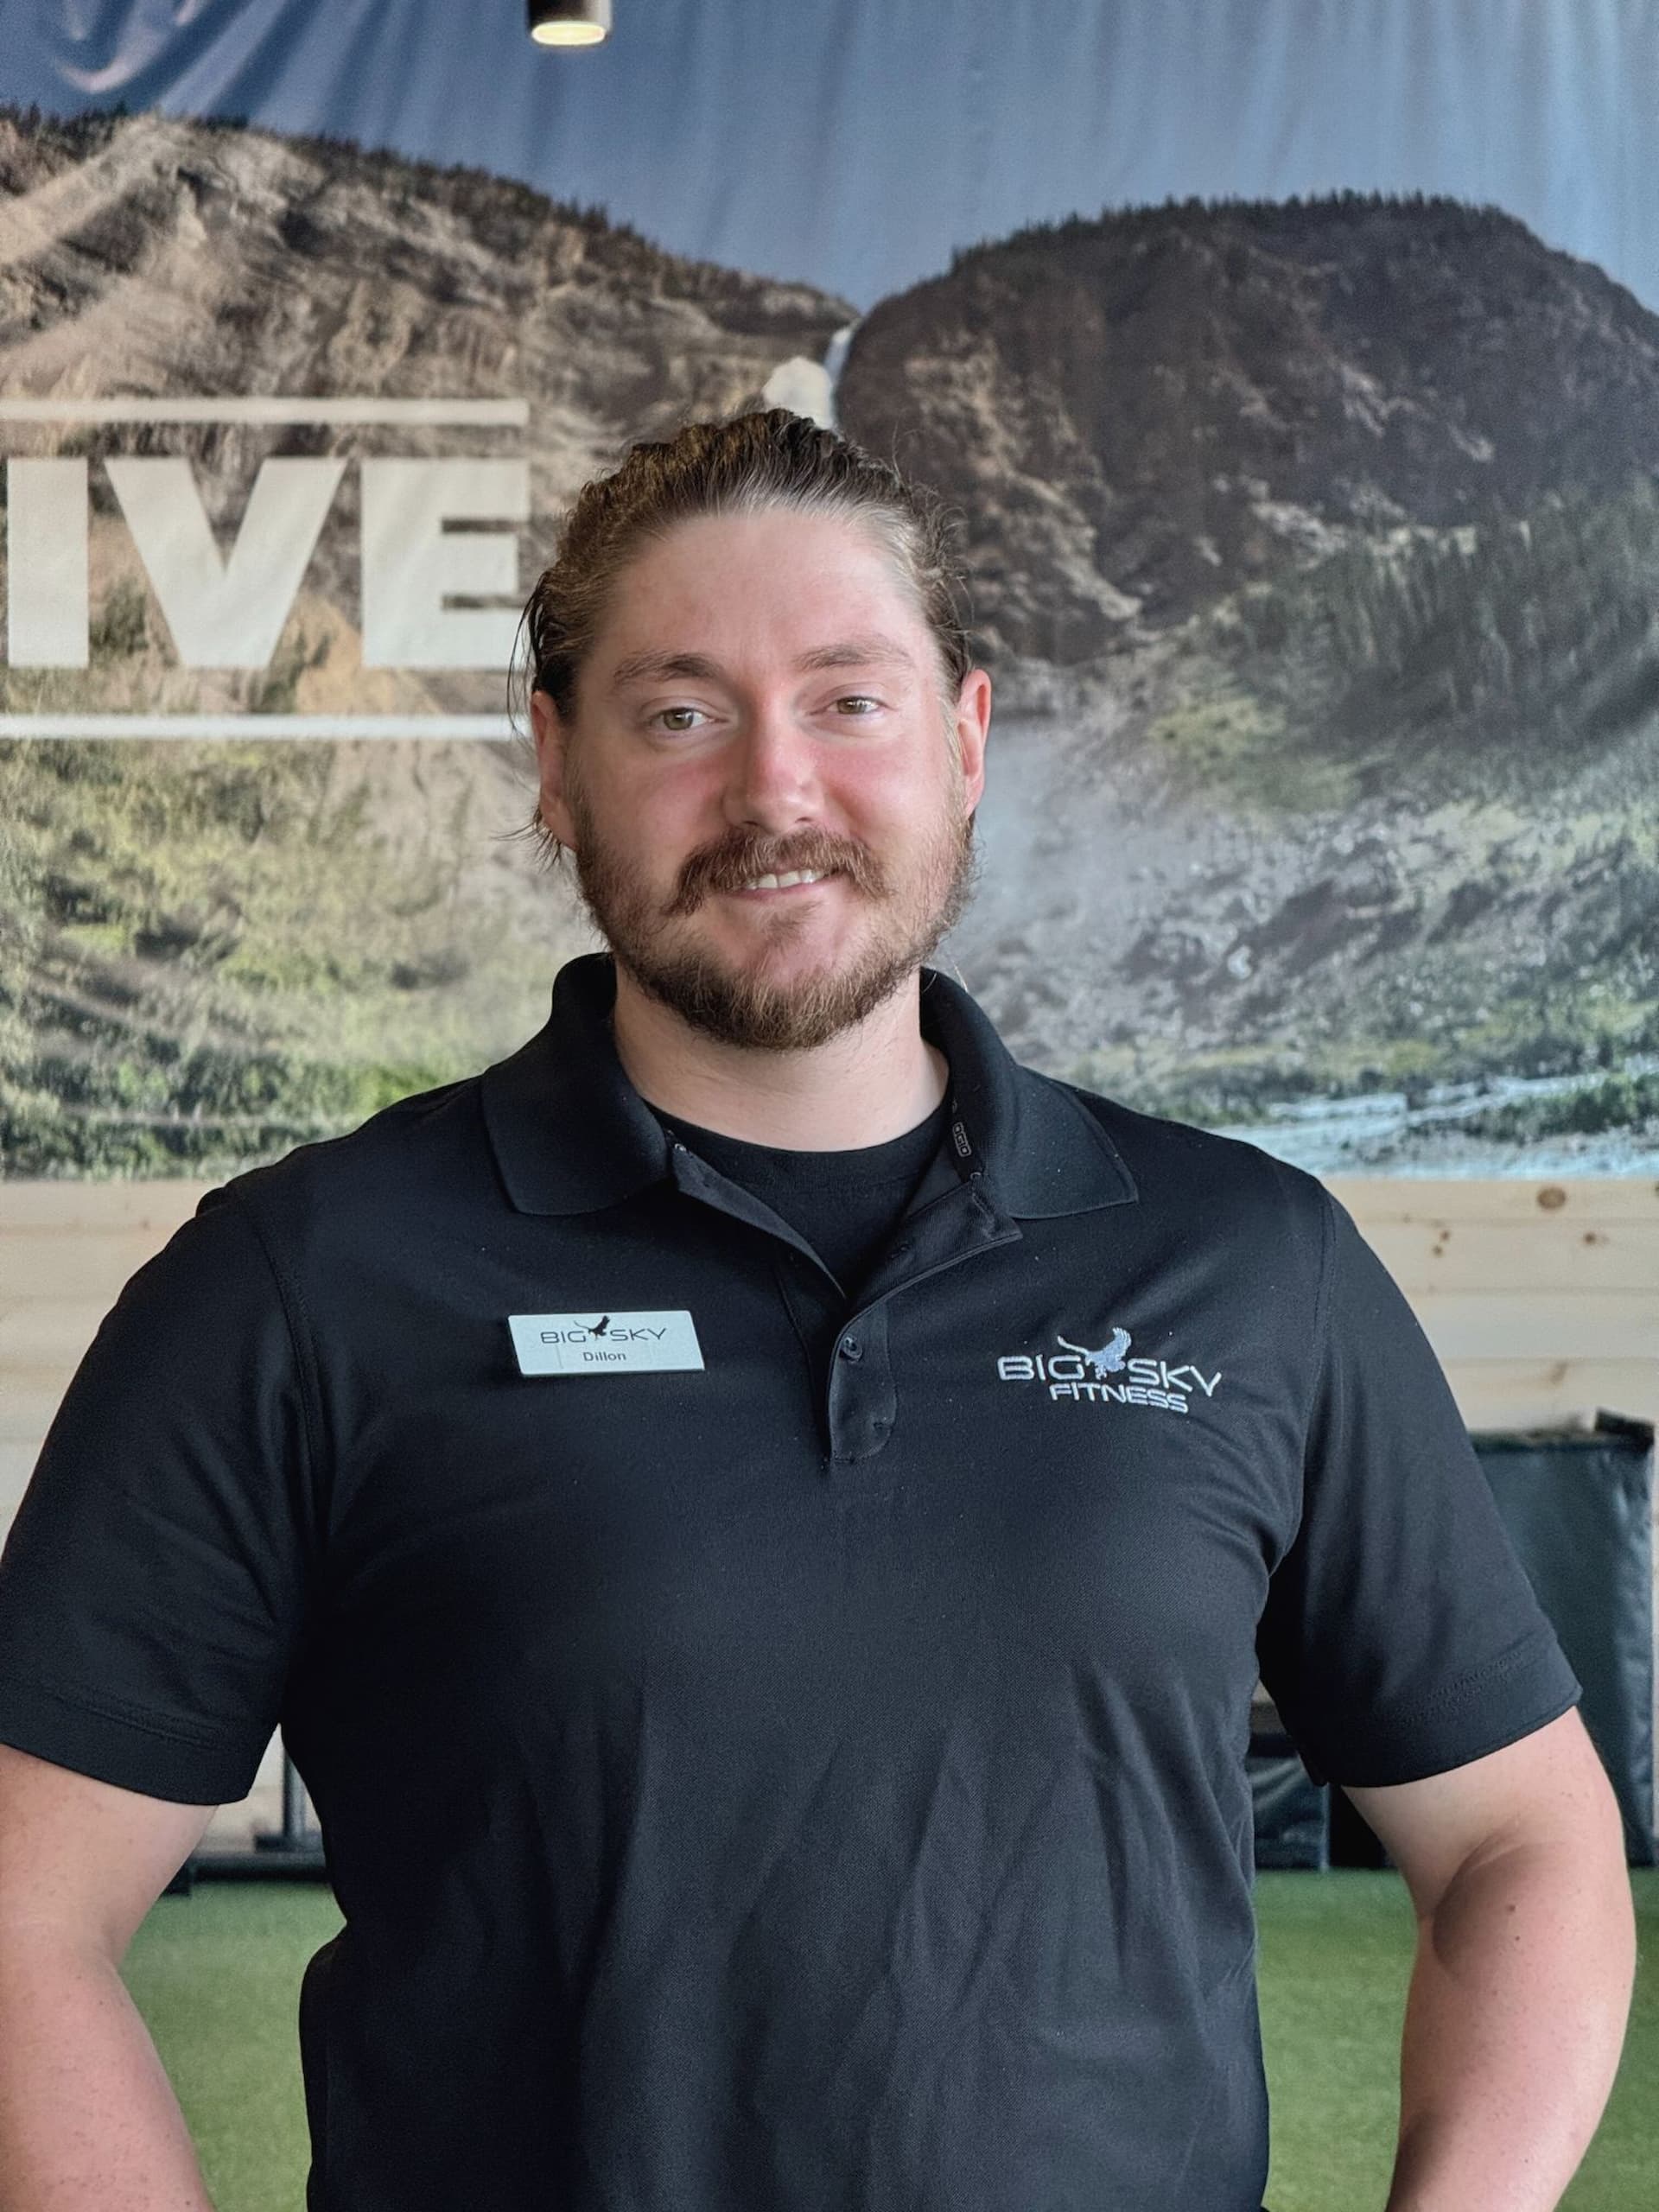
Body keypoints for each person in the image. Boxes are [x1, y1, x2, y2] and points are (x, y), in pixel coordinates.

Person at [0, 409, 1634, 2212]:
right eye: (679, 713)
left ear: (965, 741)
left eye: (849, 700)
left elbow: (1521, 1837)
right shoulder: (303, 1284)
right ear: (555, 766)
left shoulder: (1251, 1264)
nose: (775, 791)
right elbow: (22, 1920)